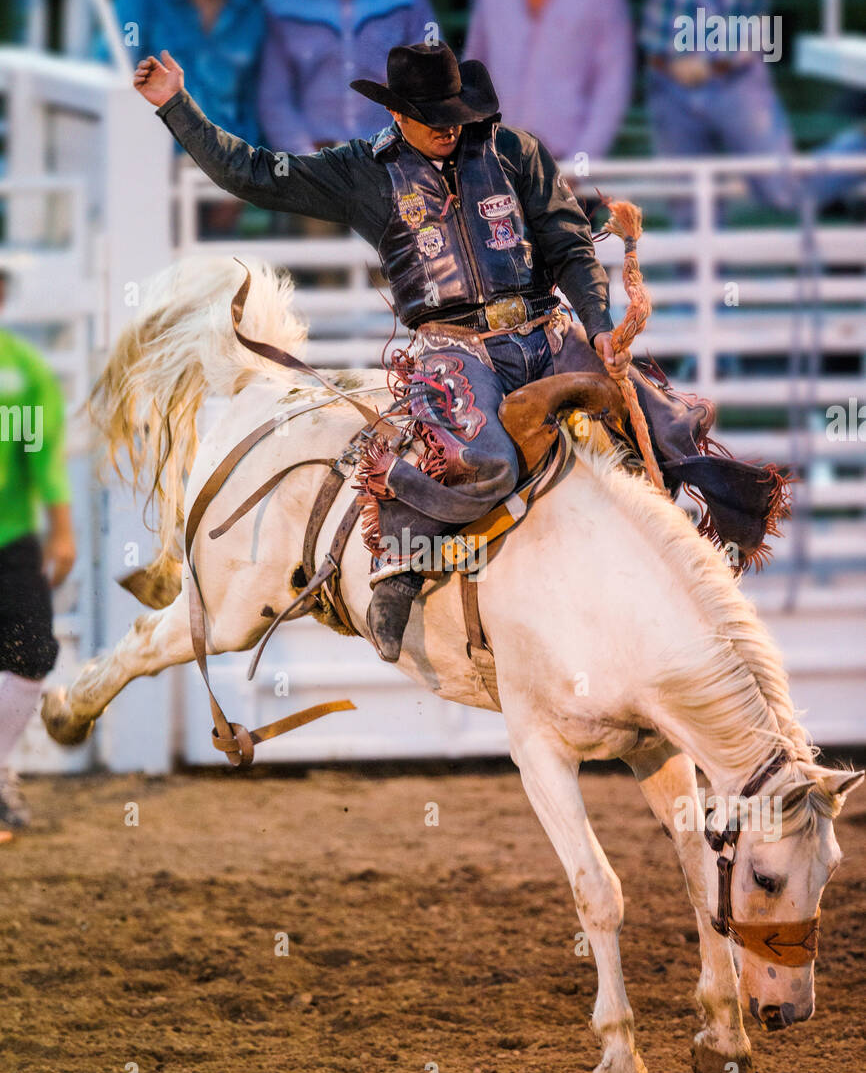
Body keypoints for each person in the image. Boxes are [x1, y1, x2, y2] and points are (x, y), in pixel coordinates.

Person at [132, 40, 781, 664]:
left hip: (546, 328)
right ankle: (401, 557)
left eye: (453, 114)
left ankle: (701, 548)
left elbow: (567, 242)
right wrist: (176, 105)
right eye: (431, 119)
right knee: (485, 461)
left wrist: (600, 323)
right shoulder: (361, 171)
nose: (448, 129)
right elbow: (249, 171)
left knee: (659, 418)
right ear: (396, 114)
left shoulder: (514, 152)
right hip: (452, 349)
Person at [610, 0, 811, 211]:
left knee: (783, 190)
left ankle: (857, 149)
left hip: (736, 80)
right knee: (689, 211)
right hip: (669, 81)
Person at [257, 0, 437, 153]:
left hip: (394, 157)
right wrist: (308, 163)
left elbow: (431, 77)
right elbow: (274, 99)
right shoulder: (281, 3)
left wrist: (407, 151)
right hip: (313, 163)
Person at [465, 0, 633, 163]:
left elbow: (612, 85)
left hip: (566, 159)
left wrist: (583, 160)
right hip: (499, 159)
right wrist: (477, 147)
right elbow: (474, 70)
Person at [0, 272, 76, 834]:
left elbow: (42, 454)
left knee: (31, 654)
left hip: (10, 538)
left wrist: (62, 528)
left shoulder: (20, 370)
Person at [109, 0, 265, 146]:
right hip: (157, 154)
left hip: (233, 164)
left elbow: (257, 100)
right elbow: (115, 62)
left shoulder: (248, 11)